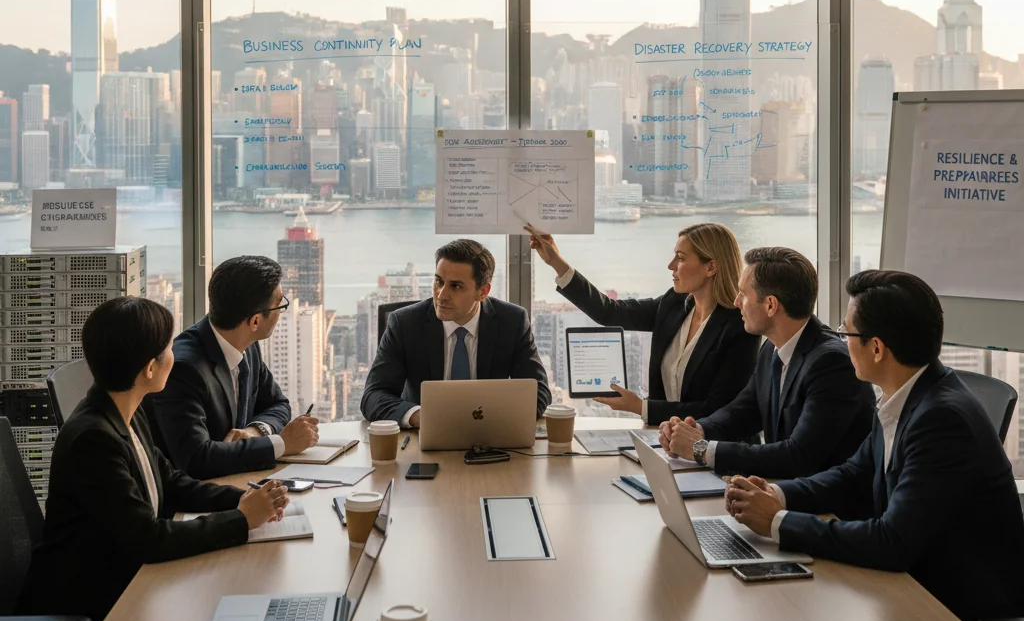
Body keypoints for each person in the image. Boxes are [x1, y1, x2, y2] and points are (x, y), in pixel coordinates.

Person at [725, 270, 1024, 621]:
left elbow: (892, 541)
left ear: (877, 348)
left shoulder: (942, 419)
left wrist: (776, 522)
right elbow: (854, 475)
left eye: (847, 332)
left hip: (958, 613)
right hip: (913, 584)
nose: (841, 341)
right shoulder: (908, 395)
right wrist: (775, 493)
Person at [18, 297, 289, 621]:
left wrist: (246, 499)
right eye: (169, 349)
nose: (175, 357)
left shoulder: (127, 411)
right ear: (149, 368)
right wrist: (241, 519)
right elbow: (148, 539)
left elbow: (171, 483)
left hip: (130, 581)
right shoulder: (93, 440)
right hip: (95, 607)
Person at [661, 246, 874, 479]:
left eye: (743, 294)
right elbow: (744, 411)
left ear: (771, 305)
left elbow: (797, 456)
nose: (735, 302)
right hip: (779, 493)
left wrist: (700, 449)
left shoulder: (832, 364)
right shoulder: (772, 346)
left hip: (824, 508)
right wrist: (695, 429)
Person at [528, 222, 760, 425]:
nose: (670, 266)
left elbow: (718, 409)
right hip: (667, 442)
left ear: (711, 267)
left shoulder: (739, 327)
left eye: (680, 258)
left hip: (713, 450)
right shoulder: (674, 304)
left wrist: (641, 407)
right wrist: (556, 262)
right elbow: (609, 312)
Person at [146, 255, 319, 479]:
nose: (280, 312)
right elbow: (196, 459)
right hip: (192, 501)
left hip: (238, 480)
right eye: (280, 305)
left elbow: (278, 404)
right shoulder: (184, 369)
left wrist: (255, 431)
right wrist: (281, 444)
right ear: (255, 321)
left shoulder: (247, 344)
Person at [360, 239, 551, 426]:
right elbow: (373, 396)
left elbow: (539, 393)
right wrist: (420, 417)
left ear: (483, 292)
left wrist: (490, 418)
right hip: (423, 437)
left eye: (456, 286)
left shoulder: (512, 321)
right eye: (439, 282)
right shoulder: (404, 324)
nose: (441, 295)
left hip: (490, 437)